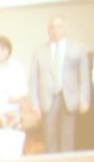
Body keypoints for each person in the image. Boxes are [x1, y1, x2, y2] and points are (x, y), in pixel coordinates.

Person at [29, 14, 90, 153]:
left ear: (65, 29)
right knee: (49, 136)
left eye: (59, 27)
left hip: (69, 98)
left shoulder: (78, 48)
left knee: (67, 136)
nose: (55, 30)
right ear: (48, 30)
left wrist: (84, 100)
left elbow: (84, 77)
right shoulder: (39, 51)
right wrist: (34, 103)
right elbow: (33, 79)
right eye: (52, 27)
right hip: (47, 99)